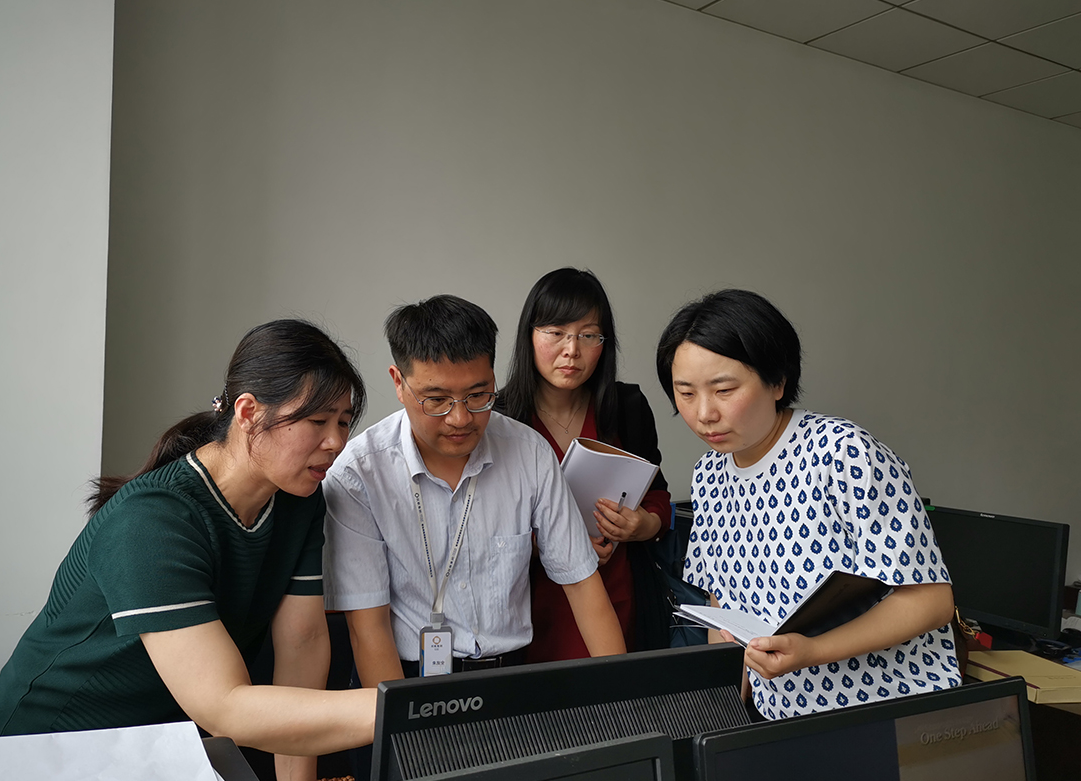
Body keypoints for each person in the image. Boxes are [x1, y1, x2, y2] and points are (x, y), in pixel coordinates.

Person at [0, 320, 377, 781]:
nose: (336, 442)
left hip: (161, 738)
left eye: (344, 422)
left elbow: (303, 643)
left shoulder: (299, 499)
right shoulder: (152, 519)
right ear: (248, 412)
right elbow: (224, 706)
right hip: (57, 736)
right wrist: (399, 709)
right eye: (318, 421)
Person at [655, 289, 959, 719]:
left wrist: (813, 651)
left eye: (724, 389)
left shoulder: (843, 453)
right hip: (780, 719)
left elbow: (930, 600)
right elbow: (722, 606)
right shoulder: (709, 474)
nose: (704, 413)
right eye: (685, 393)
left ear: (778, 382)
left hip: (885, 710)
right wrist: (728, 711)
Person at [322, 294, 626, 688]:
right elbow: (368, 630)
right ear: (399, 382)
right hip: (404, 677)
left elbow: (583, 586)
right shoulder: (359, 474)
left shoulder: (529, 453)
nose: (460, 418)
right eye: (437, 400)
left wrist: (623, 693)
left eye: (478, 395)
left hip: (510, 676)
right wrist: (402, 717)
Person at [498, 268, 672, 660]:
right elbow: (482, 526)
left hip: (619, 593)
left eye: (588, 335)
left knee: (618, 689)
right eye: (556, 332)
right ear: (529, 335)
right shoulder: (500, 419)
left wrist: (643, 525)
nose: (572, 350)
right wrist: (551, 546)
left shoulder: (626, 407)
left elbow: (658, 495)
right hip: (532, 605)